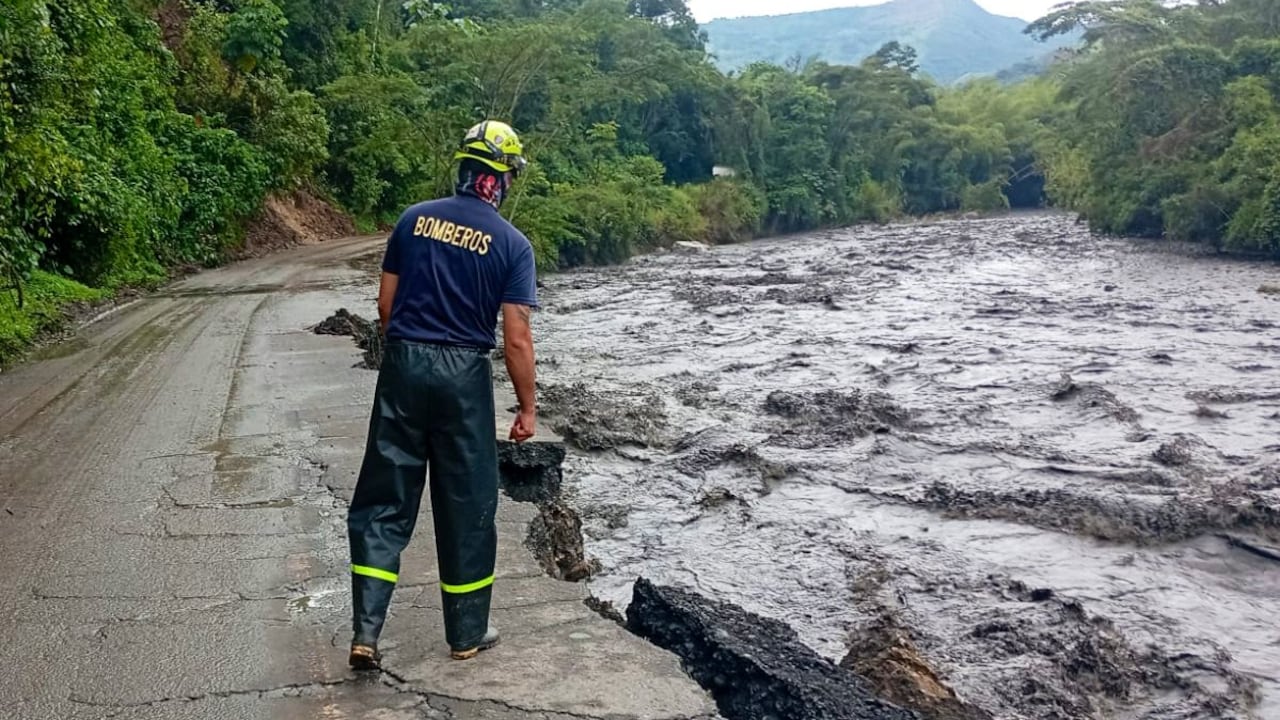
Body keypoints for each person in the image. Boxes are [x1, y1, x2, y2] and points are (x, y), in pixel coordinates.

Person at [346, 120, 539, 670]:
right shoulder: (512, 245)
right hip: (464, 378)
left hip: (404, 365)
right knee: (467, 504)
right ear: (501, 177)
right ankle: (466, 634)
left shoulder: (413, 220)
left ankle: (366, 632)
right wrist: (526, 407)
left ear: (463, 167)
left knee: (384, 498)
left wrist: (409, 358)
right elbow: (516, 337)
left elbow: (386, 306)